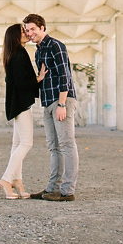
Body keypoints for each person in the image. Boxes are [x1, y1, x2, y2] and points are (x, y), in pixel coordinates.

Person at [22, 13, 79, 202]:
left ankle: (67, 191)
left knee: (67, 144)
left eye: (33, 29)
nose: (30, 33)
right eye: (27, 30)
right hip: (47, 102)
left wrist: (62, 104)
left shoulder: (56, 46)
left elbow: (65, 75)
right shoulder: (38, 51)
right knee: (53, 147)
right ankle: (52, 188)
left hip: (61, 101)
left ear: (42, 28)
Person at [0, 23, 47, 199]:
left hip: (17, 103)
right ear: (15, 37)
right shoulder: (18, 54)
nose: (27, 33)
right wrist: (39, 78)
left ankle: (17, 180)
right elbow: (22, 83)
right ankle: (6, 180)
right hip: (20, 103)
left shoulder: (16, 53)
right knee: (26, 143)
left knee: (17, 144)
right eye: (23, 32)